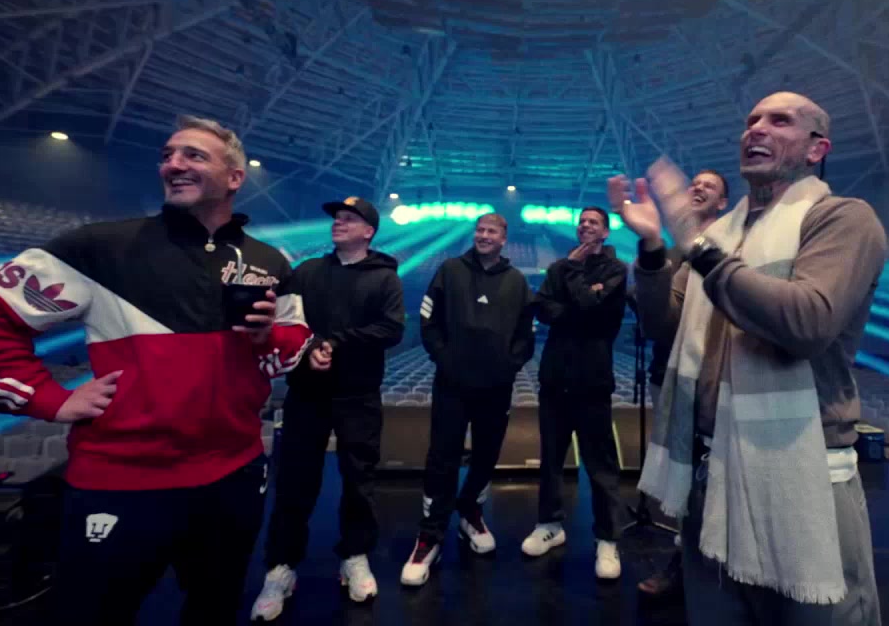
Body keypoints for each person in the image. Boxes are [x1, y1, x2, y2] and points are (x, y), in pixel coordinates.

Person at [0, 115, 313, 626]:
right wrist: (50, 397)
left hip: (235, 473)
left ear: (234, 177)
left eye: (194, 155)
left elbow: (292, 346)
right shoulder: (99, 247)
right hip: (122, 478)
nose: (173, 164)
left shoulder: (269, 261)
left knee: (215, 609)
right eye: (167, 155)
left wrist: (265, 338)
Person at [610, 91, 885, 626]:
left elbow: (806, 323)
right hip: (711, 472)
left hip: (805, 471)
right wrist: (652, 247)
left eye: (780, 121)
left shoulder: (842, 219)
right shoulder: (719, 235)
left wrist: (697, 247)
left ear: (816, 149)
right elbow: (664, 326)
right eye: (752, 120)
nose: (755, 128)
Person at [251, 196, 405, 621]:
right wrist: (312, 348)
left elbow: (391, 329)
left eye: (350, 219)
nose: (339, 222)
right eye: (337, 217)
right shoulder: (307, 272)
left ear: (368, 231)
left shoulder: (385, 278)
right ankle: (281, 566)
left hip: (358, 394)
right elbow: (288, 322)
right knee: (294, 483)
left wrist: (335, 343)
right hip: (307, 392)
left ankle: (354, 555)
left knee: (359, 481)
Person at [400, 213, 535, 586]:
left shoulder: (517, 281)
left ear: (504, 238)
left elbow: (526, 333)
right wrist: (446, 359)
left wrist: (508, 366)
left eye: (492, 231)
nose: (484, 235)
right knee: (442, 456)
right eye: (480, 230)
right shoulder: (449, 270)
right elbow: (427, 320)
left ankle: (471, 512)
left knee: (487, 454)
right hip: (452, 384)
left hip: (496, 387)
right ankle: (430, 533)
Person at [631, 169, 728, 600]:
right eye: (694, 183)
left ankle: (724, 565)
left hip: (726, 382)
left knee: (723, 480)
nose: (698, 187)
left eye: (710, 185)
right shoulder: (669, 253)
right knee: (685, 476)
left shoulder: (738, 243)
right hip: (671, 376)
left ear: (723, 203)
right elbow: (657, 322)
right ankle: (684, 560)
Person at [520, 206, 628, 580]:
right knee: (551, 459)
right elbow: (542, 310)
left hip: (593, 381)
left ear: (606, 232)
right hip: (555, 379)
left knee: (600, 465)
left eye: (593, 222)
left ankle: (608, 538)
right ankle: (549, 524)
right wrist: (578, 303)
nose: (585, 225)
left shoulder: (615, 270)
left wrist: (574, 280)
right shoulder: (559, 268)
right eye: (581, 222)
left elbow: (592, 309)